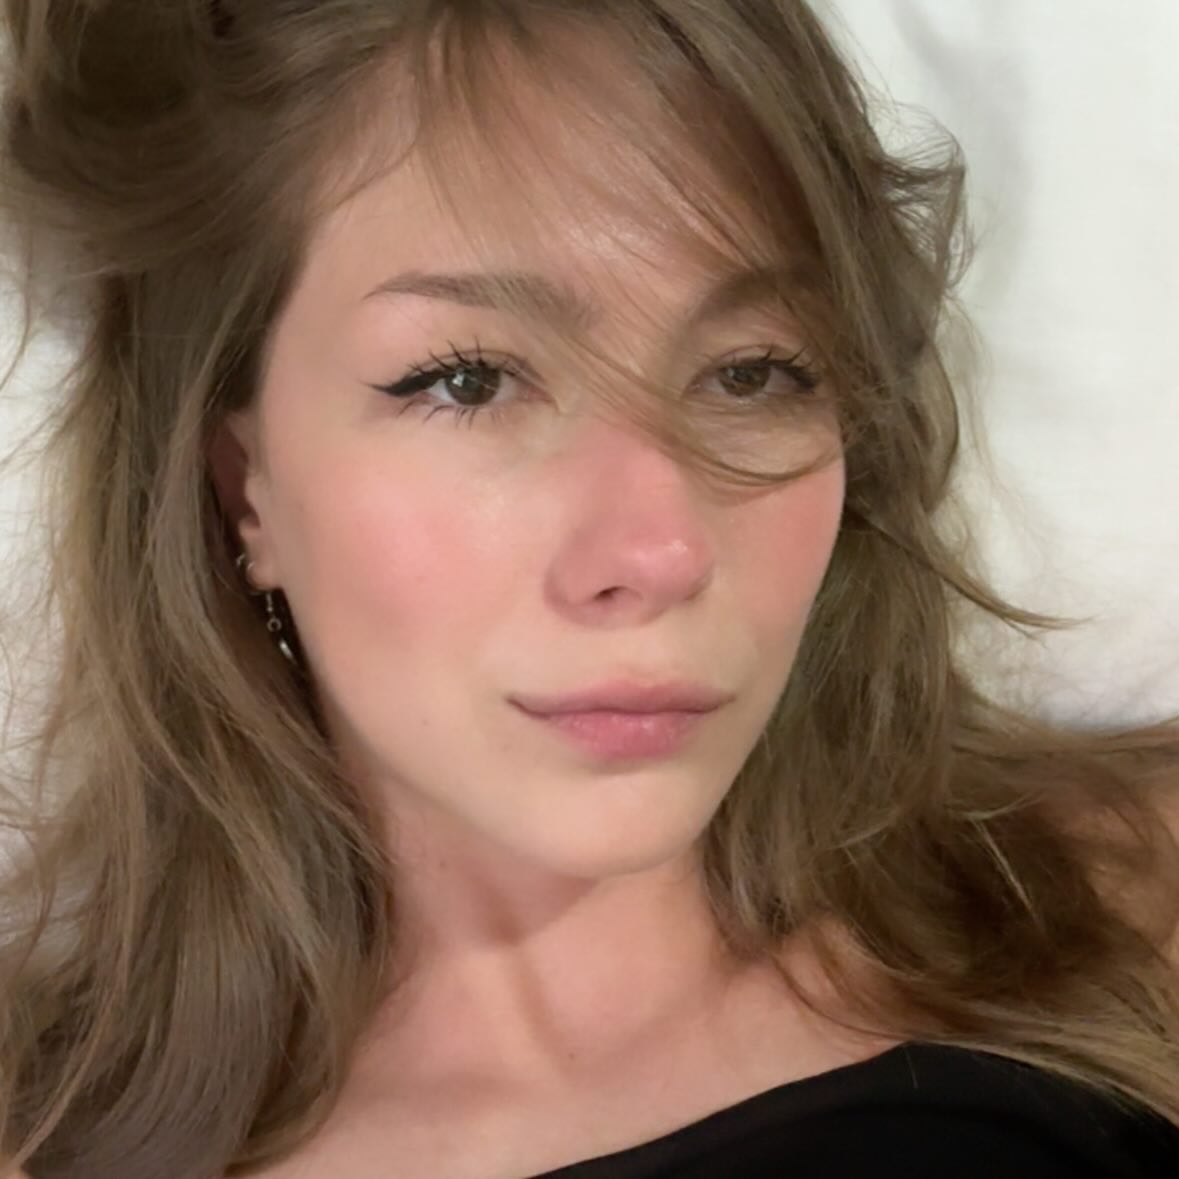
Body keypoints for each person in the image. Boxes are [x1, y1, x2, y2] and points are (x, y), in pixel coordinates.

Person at [0, 1, 1177, 1176]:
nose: (659, 551)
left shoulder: (1114, 895)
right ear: (245, 486)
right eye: (468, 381)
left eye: (753, 372)